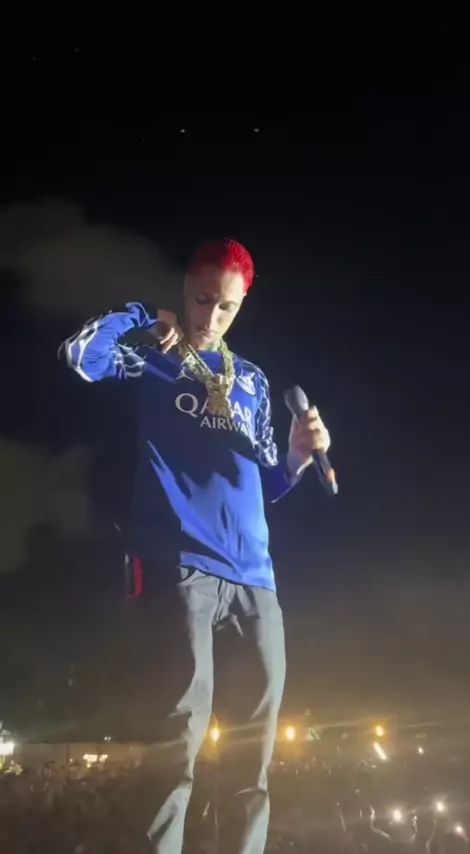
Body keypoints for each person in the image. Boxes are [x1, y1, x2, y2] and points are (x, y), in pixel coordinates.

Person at [59, 238, 331, 853]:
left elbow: (263, 485)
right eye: (203, 299)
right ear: (185, 288)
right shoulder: (152, 356)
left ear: (242, 305)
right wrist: (139, 315)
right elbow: (78, 356)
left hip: (256, 581)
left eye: (226, 306)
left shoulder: (253, 380)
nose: (211, 316)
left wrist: (295, 457)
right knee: (176, 745)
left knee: (251, 764)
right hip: (178, 565)